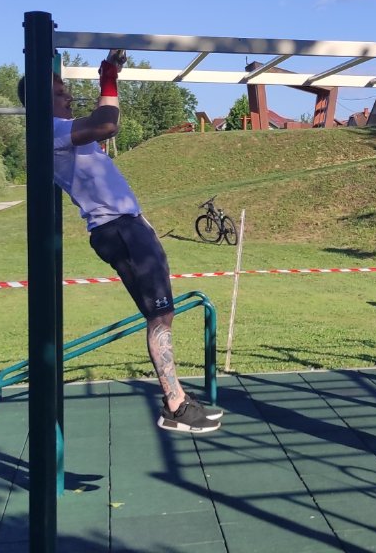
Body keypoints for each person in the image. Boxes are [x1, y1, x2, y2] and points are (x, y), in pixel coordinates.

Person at [18, 51, 223, 433]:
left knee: (165, 313)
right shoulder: (49, 132)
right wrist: (108, 79)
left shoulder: (64, 133)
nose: (67, 97)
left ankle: (177, 397)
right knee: (159, 316)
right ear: (41, 101)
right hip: (118, 229)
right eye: (60, 92)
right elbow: (106, 124)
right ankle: (175, 406)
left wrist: (109, 79)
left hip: (129, 226)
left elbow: (101, 123)